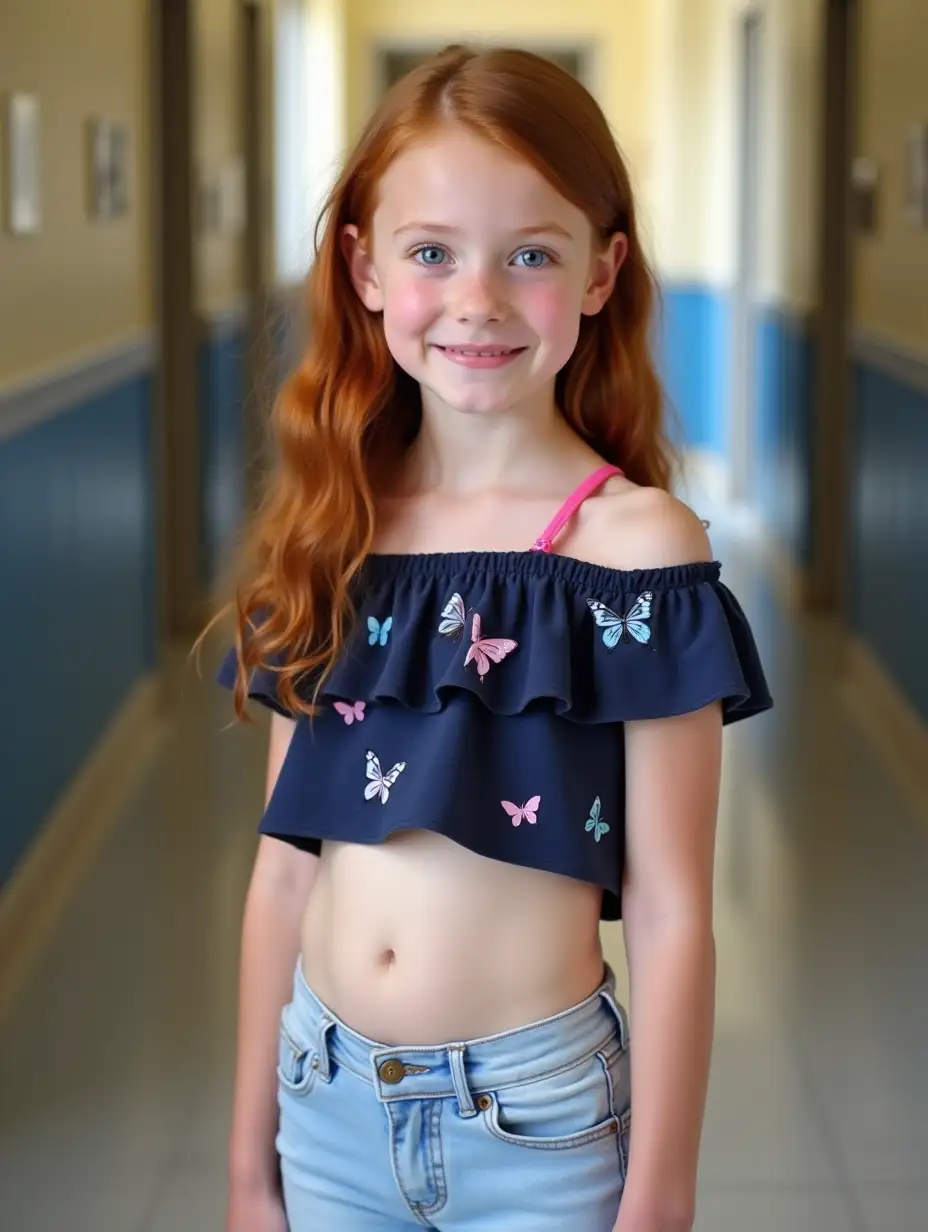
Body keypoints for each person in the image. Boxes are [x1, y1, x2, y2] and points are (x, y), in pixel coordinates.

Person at [210, 43, 772, 1232]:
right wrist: (247, 1160)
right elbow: (283, 865)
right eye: (431, 253)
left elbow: (671, 906)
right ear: (363, 267)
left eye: (529, 254)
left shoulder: (636, 554)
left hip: (539, 1125)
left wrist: (659, 1195)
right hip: (323, 1097)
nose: (477, 298)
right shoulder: (334, 530)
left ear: (600, 271)